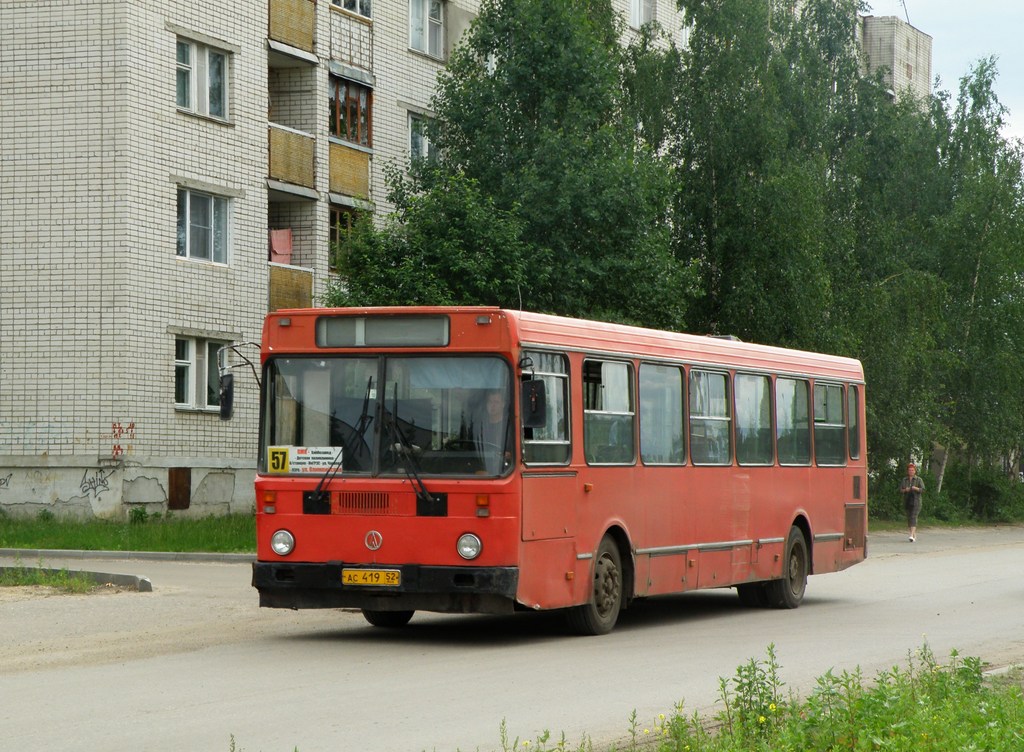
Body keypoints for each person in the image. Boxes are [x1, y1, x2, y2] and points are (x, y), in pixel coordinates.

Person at [475, 389, 511, 474]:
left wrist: (504, 454)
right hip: (480, 469)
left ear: (503, 404)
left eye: (496, 402)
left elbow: (514, 454)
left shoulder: (509, 428)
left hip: (503, 471)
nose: (492, 405)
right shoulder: (480, 426)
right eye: (490, 402)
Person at [899, 462, 925, 542]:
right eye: (909, 470)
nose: (911, 471)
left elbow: (923, 489)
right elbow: (900, 490)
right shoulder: (904, 480)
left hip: (916, 501)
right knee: (909, 517)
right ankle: (913, 535)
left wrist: (915, 488)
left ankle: (911, 535)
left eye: (912, 470)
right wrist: (905, 490)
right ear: (908, 471)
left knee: (913, 516)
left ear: (915, 471)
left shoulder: (919, 479)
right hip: (907, 500)